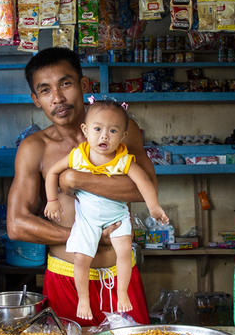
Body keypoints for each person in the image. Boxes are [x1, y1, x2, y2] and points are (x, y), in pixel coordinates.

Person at [7, 47, 156, 326]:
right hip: (66, 277)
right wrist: (86, 237)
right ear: (36, 99)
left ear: (84, 85)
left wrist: (76, 180)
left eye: (65, 84)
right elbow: (16, 225)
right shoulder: (35, 147)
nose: (58, 98)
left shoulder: (121, 132)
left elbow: (145, 189)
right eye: (45, 90)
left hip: (120, 275)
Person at [43, 97, 168, 321]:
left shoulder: (123, 160)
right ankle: (83, 299)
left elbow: (144, 183)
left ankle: (122, 293)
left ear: (123, 136)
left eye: (113, 131)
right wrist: (52, 200)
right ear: (85, 130)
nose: (104, 136)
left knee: (124, 252)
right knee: (81, 259)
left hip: (117, 218)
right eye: (98, 129)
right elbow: (52, 172)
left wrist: (154, 207)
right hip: (88, 222)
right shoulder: (78, 156)